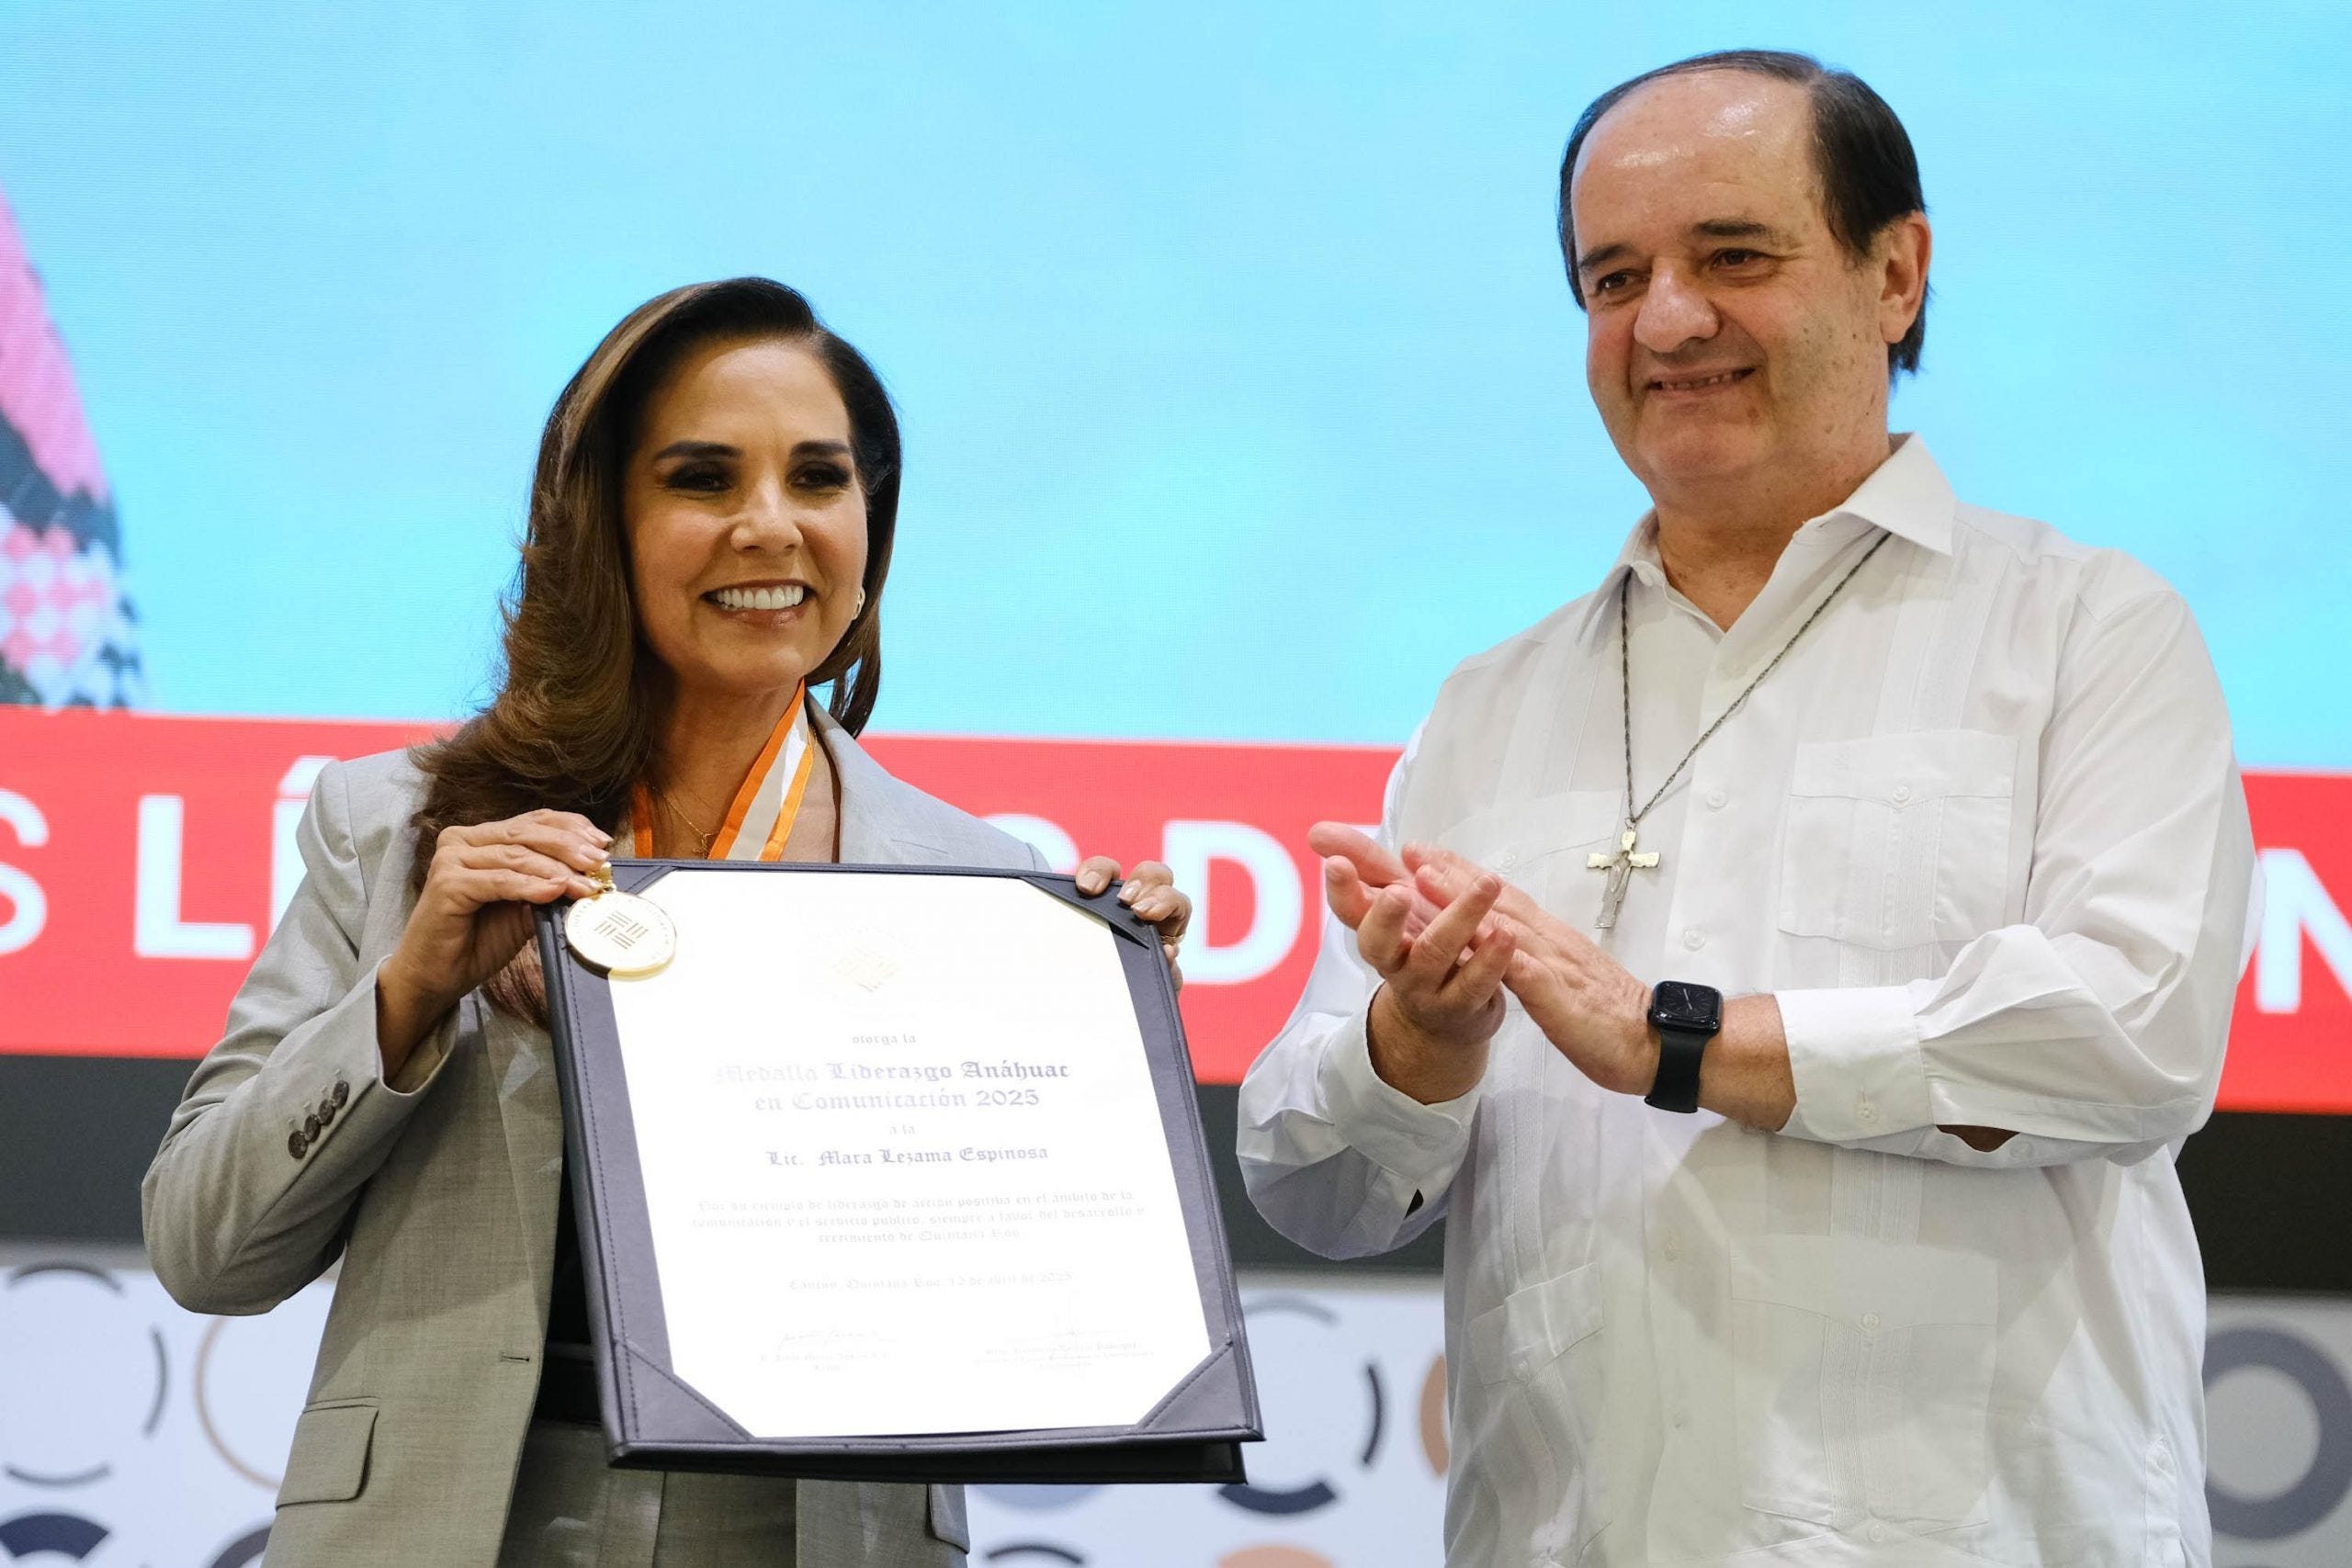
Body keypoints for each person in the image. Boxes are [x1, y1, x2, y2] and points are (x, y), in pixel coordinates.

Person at [1239, 50, 2255, 1568]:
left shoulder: (2085, 630)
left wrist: (1678, 1041)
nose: (1666, 321)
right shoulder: (1489, 706)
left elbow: (2132, 1034)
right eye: (1613, 279)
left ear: (1895, 275)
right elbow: (1314, 1193)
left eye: (1733, 257)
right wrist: (1418, 1047)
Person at [141, 277, 1191, 1566]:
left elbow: (1034, 1307)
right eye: (703, 479)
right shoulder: (400, 826)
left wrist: (1098, 1052)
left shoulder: (983, 887)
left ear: (871, 523)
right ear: (604, 523)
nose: (770, 526)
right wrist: (407, 992)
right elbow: (203, 1249)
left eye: (818, 479)